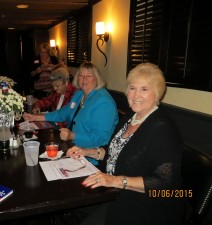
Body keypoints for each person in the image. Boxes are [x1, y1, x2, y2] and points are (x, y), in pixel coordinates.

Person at [66, 62, 185, 225]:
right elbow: (114, 151)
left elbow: (163, 182)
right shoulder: (131, 116)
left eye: (144, 89)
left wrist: (114, 181)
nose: (136, 95)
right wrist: (87, 151)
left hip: (144, 206)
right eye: (132, 88)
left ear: (157, 94)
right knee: (74, 204)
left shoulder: (163, 129)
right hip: (115, 193)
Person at [23, 62, 119, 166]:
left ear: (97, 79)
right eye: (81, 75)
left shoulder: (103, 102)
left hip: (90, 157)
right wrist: (35, 117)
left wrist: (73, 136)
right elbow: (63, 113)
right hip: (72, 148)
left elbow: (100, 137)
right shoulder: (80, 94)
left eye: (89, 76)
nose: (84, 79)